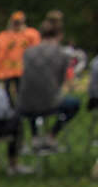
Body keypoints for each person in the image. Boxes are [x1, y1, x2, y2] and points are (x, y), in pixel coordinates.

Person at [17, 16, 81, 152]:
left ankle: (34, 137)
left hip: (24, 104)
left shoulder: (28, 52)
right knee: (74, 104)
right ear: (60, 35)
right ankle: (51, 135)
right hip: (50, 102)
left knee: (32, 93)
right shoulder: (61, 54)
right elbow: (61, 80)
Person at [0, 11, 40, 101]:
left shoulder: (30, 34)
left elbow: (35, 50)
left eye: (19, 22)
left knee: (21, 92)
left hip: (22, 69)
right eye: (16, 22)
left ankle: (21, 109)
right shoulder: (4, 36)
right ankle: (11, 110)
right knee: (7, 93)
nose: (17, 25)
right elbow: (0, 53)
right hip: (7, 70)